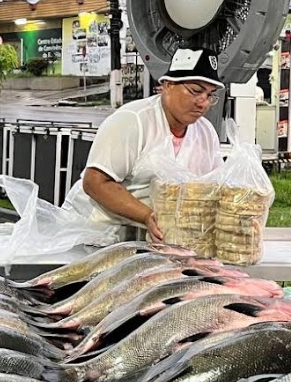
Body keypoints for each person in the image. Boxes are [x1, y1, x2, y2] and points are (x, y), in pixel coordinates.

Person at [62, 47, 225, 242]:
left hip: (152, 241)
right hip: (94, 233)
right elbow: (95, 182)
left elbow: (212, 188)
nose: (203, 102)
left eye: (210, 95)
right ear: (168, 85)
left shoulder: (206, 132)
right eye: (196, 91)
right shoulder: (133, 120)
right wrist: (147, 216)